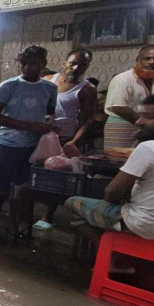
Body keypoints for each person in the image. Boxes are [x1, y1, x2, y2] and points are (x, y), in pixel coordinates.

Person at [64, 94, 154, 240]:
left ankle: (112, 255)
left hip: (146, 224)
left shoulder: (149, 148)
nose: (139, 121)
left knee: (72, 203)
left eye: (149, 117)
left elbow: (112, 193)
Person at [0, 46, 57, 241]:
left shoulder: (50, 88)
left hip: (33, 146)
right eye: (24, 63)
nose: (28, 67)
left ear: (43, 64)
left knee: (21, 189)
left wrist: (47, 125)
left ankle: (13, 227)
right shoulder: (8, 85)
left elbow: (50, 113)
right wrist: (26, 125)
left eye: (34, 63)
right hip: (8, 144)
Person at [34, 49, 98, 230]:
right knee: (32, 173)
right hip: (40, 133)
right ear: (64, 63)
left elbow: (87, 120)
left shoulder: (87, 89)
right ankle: (25, 212)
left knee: (55, 177)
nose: (76, 68)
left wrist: (74, 142)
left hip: (64, 137)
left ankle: (47, 216)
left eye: (82, 65)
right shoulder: (48, 81)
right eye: (73, 63)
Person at [104, 44, 154, 149]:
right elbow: (118, 107)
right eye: (147, 58)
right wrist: (144, 122)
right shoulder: (123, 79)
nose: (152, 62)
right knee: (118, 159)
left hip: (148, 126)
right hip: (122, 125)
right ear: (138, 59)